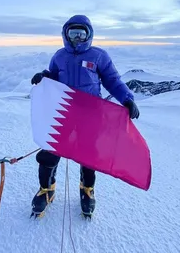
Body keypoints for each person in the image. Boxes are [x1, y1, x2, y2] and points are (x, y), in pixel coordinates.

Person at [30, 14, 140, 218]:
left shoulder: (99, 56)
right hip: (63, 113)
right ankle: (47, 189)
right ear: (66, 34)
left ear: (89, 35)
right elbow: (54, 76)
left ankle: (87, 190)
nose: (77, 38)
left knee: (89, 155)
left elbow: (112, 80)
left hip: (90, 115)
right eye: (73, 33)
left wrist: (127, 98)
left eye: (82, 34)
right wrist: (44, 77)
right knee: (50, 152)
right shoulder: (59, 55)